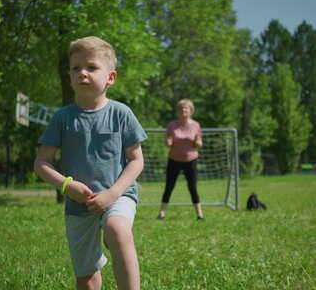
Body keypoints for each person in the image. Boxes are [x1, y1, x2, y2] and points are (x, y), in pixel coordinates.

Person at [34, 36, 147, 290]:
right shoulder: (62, 118)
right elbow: (41, 162)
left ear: (111, 77)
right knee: (86, 276)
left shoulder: (121, 113)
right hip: (77, 204)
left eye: (92, 67)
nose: (82, 73)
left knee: (117, 229)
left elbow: (136, 160)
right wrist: (66, 186)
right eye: (76, 68)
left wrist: (113, 193)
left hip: (118, 195)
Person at [157, 99, 204, 220]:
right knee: (169, 187)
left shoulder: (196, 125)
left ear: (191, 111)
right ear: (177, 111)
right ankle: (162, 213)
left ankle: (200, 214)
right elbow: (168, 141)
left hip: (191, 160)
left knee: (192, 187)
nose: (184, 110)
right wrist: (168, 142)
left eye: (186, 108)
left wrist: (198, 143)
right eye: (181, 108)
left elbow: (199, 142)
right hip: (174, 160)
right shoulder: (172, 125)